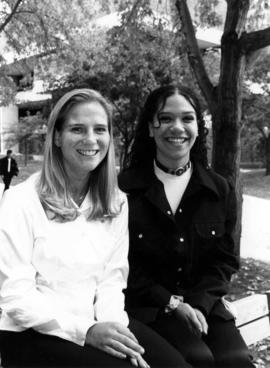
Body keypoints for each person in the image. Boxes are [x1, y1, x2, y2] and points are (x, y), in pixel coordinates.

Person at [0, 88, 190, 368]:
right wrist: (86, 331)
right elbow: (17, 297)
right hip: (34, 332)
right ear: (57, 137)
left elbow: (111, 281)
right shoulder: (21, 201)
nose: (90, 139)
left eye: (99, 129)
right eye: (77, 129)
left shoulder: (115, 202)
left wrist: (115, 332)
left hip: (96, 321)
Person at [119, 84, 255, 368]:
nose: (177, 127)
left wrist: (198, 304)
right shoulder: (124, 189)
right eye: (166, 118)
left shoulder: (219, 189)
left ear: (198, 127)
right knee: (197, 359)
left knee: (237, 361)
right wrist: (171, 302)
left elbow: (225, 260)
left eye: (187, 118)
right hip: (148, 309)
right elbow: (119, 262)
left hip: (203, 306)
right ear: (150, 128)